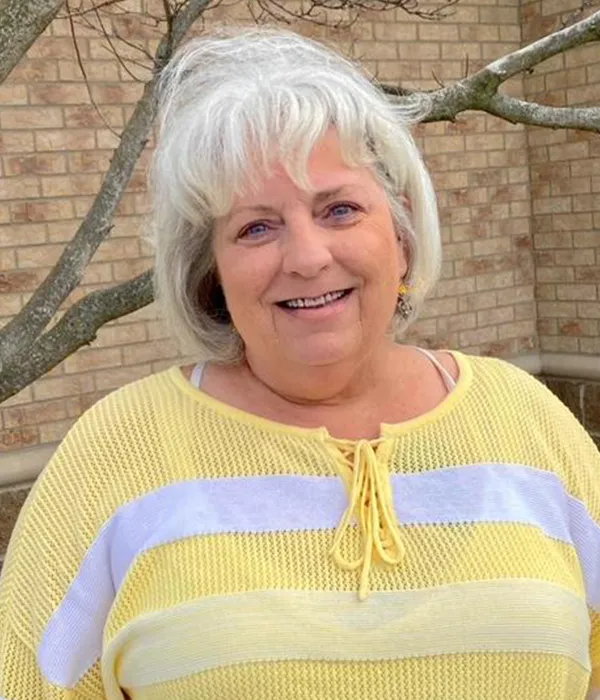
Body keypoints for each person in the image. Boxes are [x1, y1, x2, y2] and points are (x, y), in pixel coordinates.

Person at [1, 26, 599, 700]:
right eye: (255, 227)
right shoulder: (116, 455)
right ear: (211, 272)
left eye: (340, 209)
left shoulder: (527, 421)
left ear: (401, 234)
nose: (308, 257)